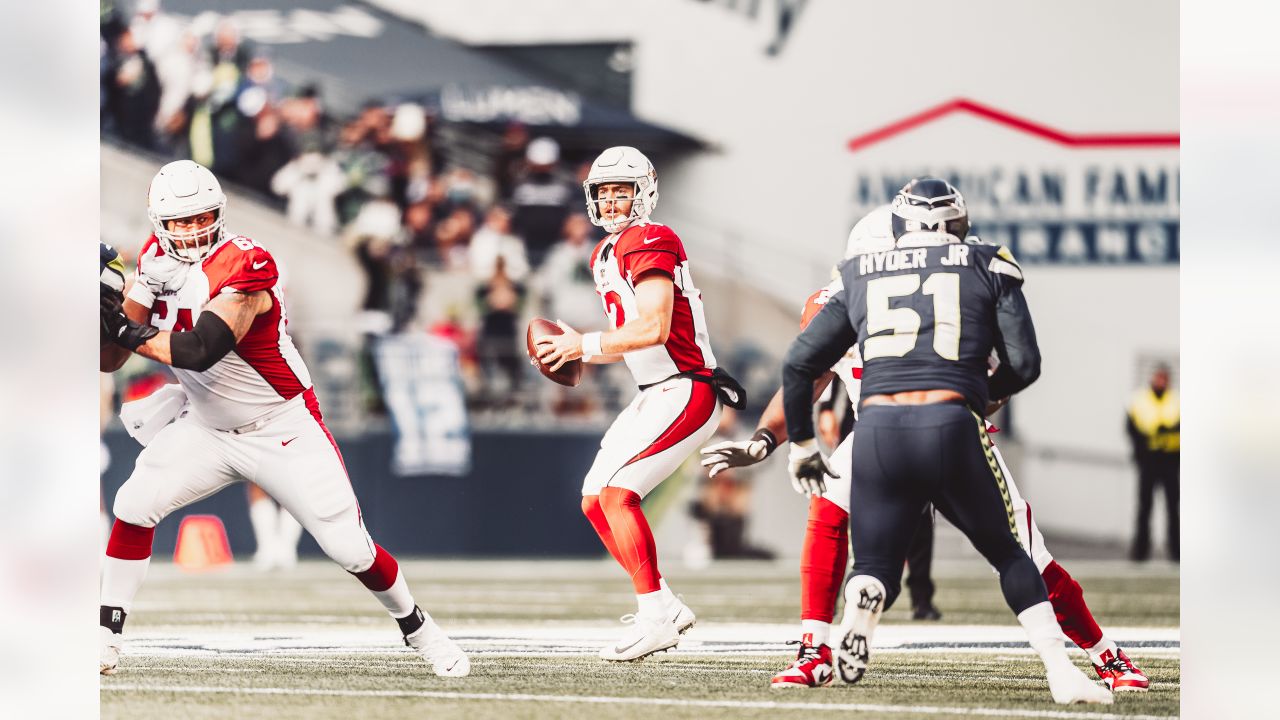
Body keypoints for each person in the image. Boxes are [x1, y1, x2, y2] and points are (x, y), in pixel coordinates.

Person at [97, 160, 468, 678]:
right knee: (133, 503)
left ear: (219, 214)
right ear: (160, 223)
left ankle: (418, 627)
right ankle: (104, 636)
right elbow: (107, 362)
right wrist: (111, 309)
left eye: (200, 217)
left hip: (280, 425)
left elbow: (201, 349)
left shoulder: (247, 263)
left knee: (349, 547)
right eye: (179, 221)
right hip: (206, 426)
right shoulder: (158, 259)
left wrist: (128, 330)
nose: (191, 230)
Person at [776, 178, 1111, 704]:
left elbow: (799, 367)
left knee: (867, 557)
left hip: (877, 429)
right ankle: (1062, 667)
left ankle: (846, 616)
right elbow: (1021, 363)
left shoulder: (851, 278)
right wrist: (981, 394)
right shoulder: (983, 262)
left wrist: (795, 444)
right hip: (953, 420)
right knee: (1013, 553)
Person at [533, 146, 744, 662]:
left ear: (644, 192)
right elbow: (634, 337)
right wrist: (577, 347)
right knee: (594, 499)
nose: (610, 200)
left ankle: (653, 620)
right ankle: (667, 606)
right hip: (657, 391)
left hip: (687, 386)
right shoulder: (603, 253)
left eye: (620, 190)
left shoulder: (651, 237)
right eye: (603, 191)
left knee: (619, 495)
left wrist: (583, 344)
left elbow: (654, 327)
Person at [1126, 363, 1180, 562]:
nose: (1161, 382)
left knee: (1173, 508)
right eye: (1158, 378)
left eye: (1164, 378)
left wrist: (1168, 434)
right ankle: (1140, 551)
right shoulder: (1139, 400)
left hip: (1170, 463)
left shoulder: (1177, 401)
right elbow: (1131, 429)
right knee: (1144, 508)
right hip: (1148, 463)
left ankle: (1177, 552)